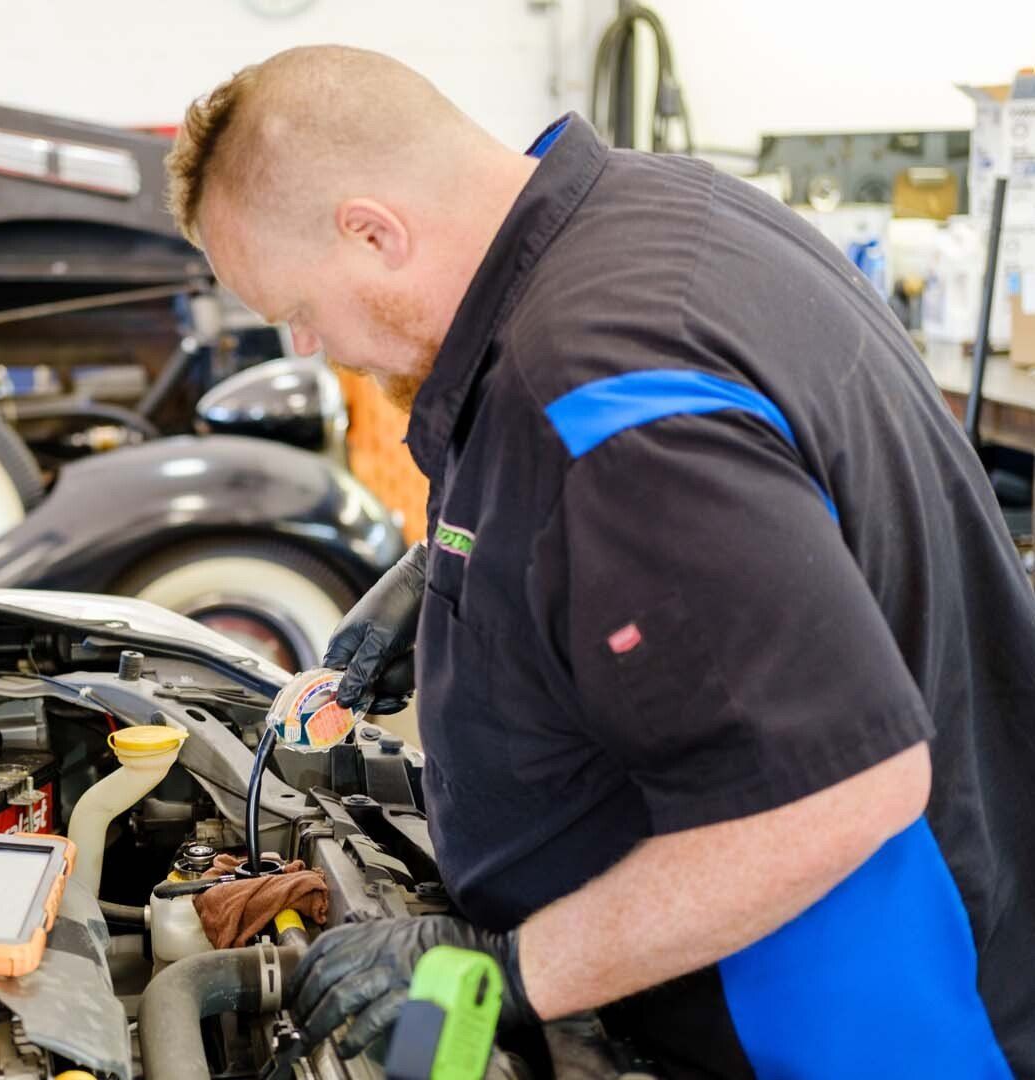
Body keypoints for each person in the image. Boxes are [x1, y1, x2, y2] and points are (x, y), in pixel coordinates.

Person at [164, 45, 1035, 1078]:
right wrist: (448, 574)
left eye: (297, 310)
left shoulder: (601, 397)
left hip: (844, 1022)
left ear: (373, 231)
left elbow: (840, 794)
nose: (307, 346)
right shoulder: (642, 209)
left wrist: (504, 968)